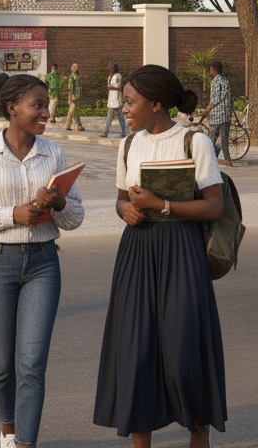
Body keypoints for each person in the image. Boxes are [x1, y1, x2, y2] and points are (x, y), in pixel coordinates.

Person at [94, 64, 227, 446]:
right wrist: (126, 211)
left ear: (155, 103)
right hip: (137, 252)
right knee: (137, 353)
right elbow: (121, 199)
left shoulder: (194, 143)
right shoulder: (128, 144)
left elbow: (214, 207)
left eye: (131, 101)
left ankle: (198, 435)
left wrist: (162, 204)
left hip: (182, 254)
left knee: (185, 352)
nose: (125, 108)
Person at [0, 74, 84, 448]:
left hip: (44, 263)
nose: (46, 112)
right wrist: (12, 214)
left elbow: (75, 218)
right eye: (37, 105)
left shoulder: (54, 154)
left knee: (31, 363)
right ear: (12, 109)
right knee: (3, 362)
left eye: (46, 104)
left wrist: (58, 204)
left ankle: (25, 442)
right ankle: (8, 428)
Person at [200, 61, 233, 167]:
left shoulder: (215, 81)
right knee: (224, 139)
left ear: (213, 70)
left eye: (210, 70)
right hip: (226, 115)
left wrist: (206, 111)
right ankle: (228, 160)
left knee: (211, 139)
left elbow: (215, 99)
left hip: (217, 116)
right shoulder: (225, 81)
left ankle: (207, 159)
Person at [102, 63, 127, 138]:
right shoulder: (109, 77)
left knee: (120, 117)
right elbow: (108, 86)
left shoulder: (118, 76)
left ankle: (123, 132)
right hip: (111, 99)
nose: (110, 69)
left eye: (111, 67)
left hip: (117, 98)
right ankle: (105, 132)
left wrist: (112, 87)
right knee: (109, 116)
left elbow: (119, 87)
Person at [65, 63, 84, 131]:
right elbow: (70, 88)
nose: (75, 69)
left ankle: (78, 125)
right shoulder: (71, 77)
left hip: (77, 95)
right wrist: (69, 97)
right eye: (74, 68)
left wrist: (80, 95)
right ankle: (69, 125)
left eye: (76, 68)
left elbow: (80, 87)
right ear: (72, 69)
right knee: (72, 110)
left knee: (75, 110)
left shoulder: (78, 77)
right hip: (73, 96)